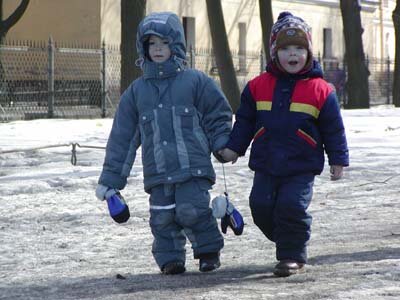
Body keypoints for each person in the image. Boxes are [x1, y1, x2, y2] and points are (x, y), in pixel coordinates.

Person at [95, 12, 233, 275]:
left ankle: (207, 252)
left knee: (192, 210)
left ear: (176, 45)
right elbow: (122, 139)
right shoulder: (136, 92)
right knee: (162, 217)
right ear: (143, 48)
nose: (158, 49)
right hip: (158, 171)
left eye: (164, 43)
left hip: (193, 167)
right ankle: (170, 259)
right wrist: (112, 179)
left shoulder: (195, 82)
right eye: (151, 44)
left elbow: (218, 114)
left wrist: (223, 143)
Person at [219, 11, 349, 277]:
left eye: (299, 48)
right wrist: (233, 148)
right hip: (266, 163)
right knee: (261, 206)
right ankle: (288, 237)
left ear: (309, 52)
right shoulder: (257, 87)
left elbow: (333, 129)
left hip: (301, 165)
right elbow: (244, 121)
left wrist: (338, 159)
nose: (293, 54)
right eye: (285, 48)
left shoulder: (321, 90)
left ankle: (292, 254)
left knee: (291, 206)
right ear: (273, 52)